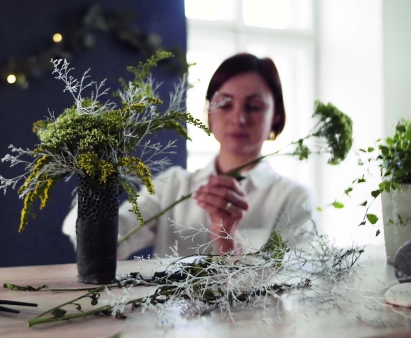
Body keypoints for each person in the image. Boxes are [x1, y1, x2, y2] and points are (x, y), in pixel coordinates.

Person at [62, 53, 317, 259]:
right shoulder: (172, 187)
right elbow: (106, 247)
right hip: (171, 321)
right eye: (225, 104)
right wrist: (93, 182)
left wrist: (227, 236)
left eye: (254, 107)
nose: (238, 119)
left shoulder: (292, 198)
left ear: (277, 116)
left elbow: (294, 280)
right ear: (208, 113)